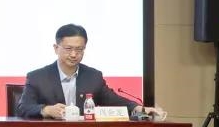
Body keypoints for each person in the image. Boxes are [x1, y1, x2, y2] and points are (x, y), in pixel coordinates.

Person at [15, 23, 166, 120]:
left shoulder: (93, 76)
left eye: (79, 49)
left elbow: (114, 100)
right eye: (68, 49)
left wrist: (140, 109)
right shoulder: (37, 77)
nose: (74, 54)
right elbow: (22, 108)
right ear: (56, 48)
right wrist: (46, 110)